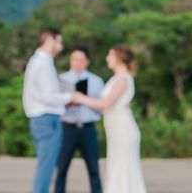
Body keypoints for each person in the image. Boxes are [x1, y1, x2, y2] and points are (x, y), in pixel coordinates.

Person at [73, 44, 147, 193]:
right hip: (115, 128)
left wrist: (81, 98)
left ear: (119, 58)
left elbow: (106, 103)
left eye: (110, 55)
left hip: (123, 128)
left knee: (123, 166)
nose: (107, 58)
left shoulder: (122, 79)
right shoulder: (117, 78)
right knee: (117, 165)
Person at [23, 28, 72, 193]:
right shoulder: (42, 63)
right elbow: (48, 97)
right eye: (60, 41)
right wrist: (71, 97)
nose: (61, 46)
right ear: (50, 39)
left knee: (46, 165)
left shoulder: (41, 61)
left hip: (43, 118)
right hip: (46, 119)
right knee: (46, 167)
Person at [55, 46, 104, 193]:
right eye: (74, 60)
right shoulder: (61, 79)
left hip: (88, 128)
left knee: (94, 168)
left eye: (81, 60)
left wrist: (84, 99)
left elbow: (101, 107)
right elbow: (54, 104)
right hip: (67, 127)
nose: (77, 63)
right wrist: (69, 100)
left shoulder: (96, 81)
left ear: (87, 61)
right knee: (62, 167)